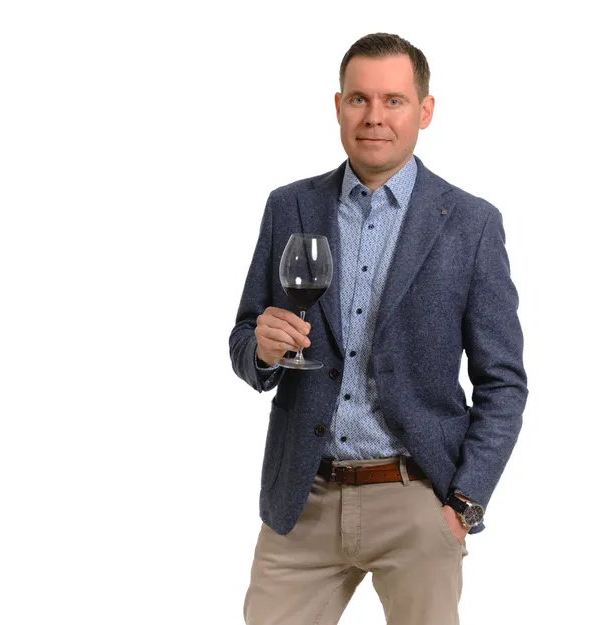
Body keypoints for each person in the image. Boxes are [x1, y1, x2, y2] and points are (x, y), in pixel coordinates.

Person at [229, 32, 527, 625]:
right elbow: (244, 337)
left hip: (417, 498)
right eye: (359, 99)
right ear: (338, 106)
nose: (374, 116)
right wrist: (261, 350)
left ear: (425, 110)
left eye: (394, 100)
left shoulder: (471, 224)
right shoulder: (289, 206)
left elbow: (504, 383)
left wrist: (463, 506)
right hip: (302, 498)